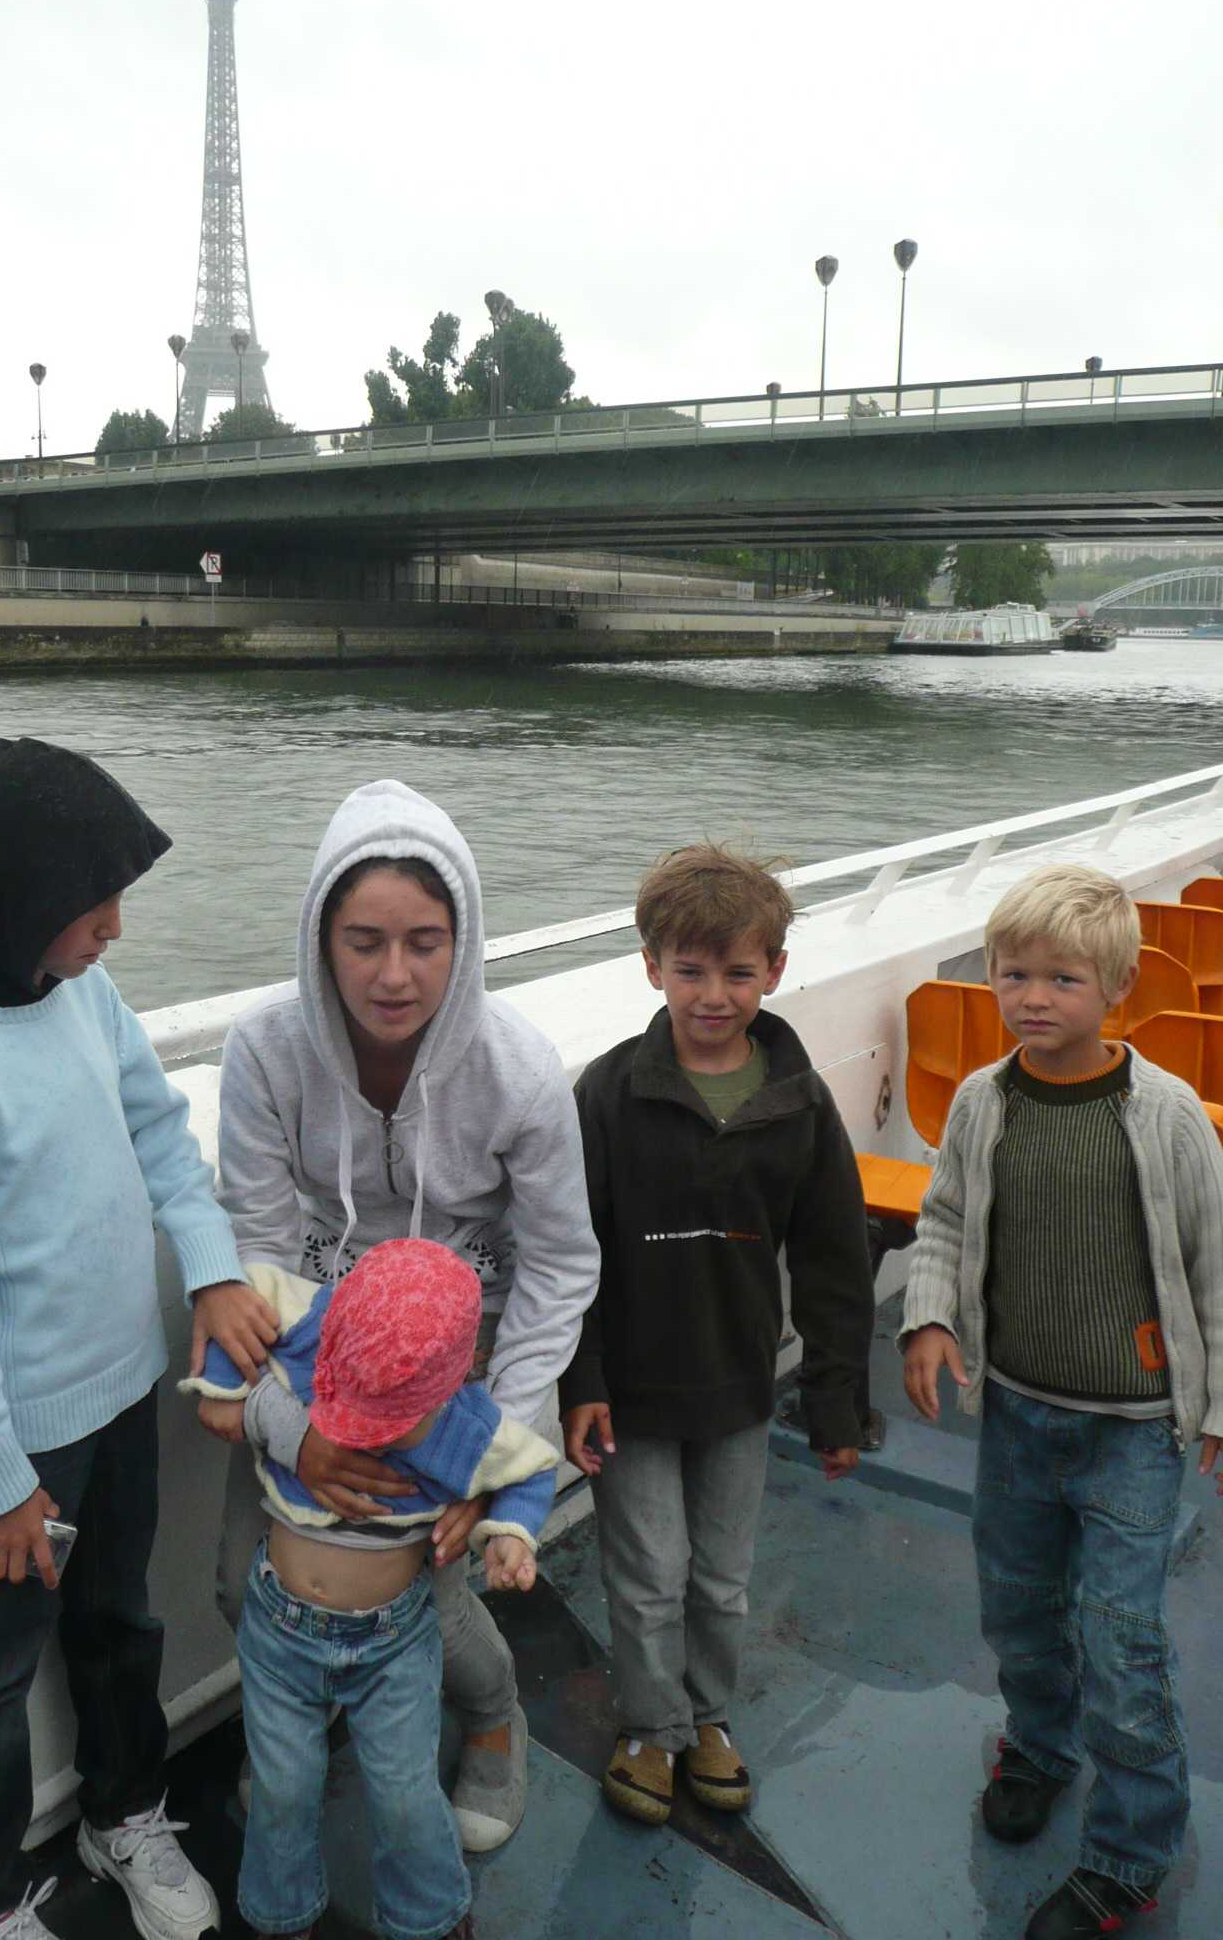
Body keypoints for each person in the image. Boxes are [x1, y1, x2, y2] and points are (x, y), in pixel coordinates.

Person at [0, 737, 245, 1940]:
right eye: (94, 904)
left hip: (125, 1391)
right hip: (24, 1448)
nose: (114, 928)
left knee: (120, 1623)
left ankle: (122, 1809)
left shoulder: (86, 995)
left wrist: (212, 1268)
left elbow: (160, 1130)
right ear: (19, 900)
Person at [202, 778, 599, 1852]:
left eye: (425, 942)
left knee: (436, 1587)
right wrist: (292, 1430)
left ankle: (493, 1715)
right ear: (319, 938)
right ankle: (295, 1720)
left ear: (462, 941)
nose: (394, 974)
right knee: (246, 1577)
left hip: (454, 1363)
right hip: (310, 1352)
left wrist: (499, 1439)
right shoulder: (265, 1052)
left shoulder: (518, 1072)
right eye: (363, 940)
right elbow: (259, 1255)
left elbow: (560, 1260)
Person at [901, 864, 1223, 1940]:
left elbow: (1215, 1266)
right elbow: (945, 1220)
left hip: (1134, 1429)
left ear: (1119, 988)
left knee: (1122, 1640)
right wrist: (929, 1315)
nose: (1033, 997)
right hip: (1017, 1413)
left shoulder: (1167, 1116)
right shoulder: (982, 1102)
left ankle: (1130, 1851)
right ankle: (1041, 1746)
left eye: (1063, 978)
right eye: (1014, 974)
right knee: (1018, 1605)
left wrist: (1217, 1404)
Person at [560, 843, 873, 1827]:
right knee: (648, 1575)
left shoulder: (800, 1101)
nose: (713, 994)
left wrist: (835, 1399)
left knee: (723, 1579)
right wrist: (581, 1382)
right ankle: (651, 1724)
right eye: (689, 970)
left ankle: (708, 1716)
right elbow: (569, 1250)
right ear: (651, 965)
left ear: (774, 970)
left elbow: (833, 1258)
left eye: (738, 971)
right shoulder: (608, 1093)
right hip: (631, 1392)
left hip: (740, 1386)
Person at [185, 1238, 558, 1940]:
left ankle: (428, 1916)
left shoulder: (468, 1427)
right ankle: (282, 1915)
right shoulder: (311, 1319)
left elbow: (530, 1468)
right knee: (282, 1791)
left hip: (394, 1644)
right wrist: (233, 1392)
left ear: (454, 1381)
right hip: (278, 1632)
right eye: (347, 1401)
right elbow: (245, 1289)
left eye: (388, 1420)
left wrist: (511, 1533)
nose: (359, 1432)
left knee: (406, 1797)